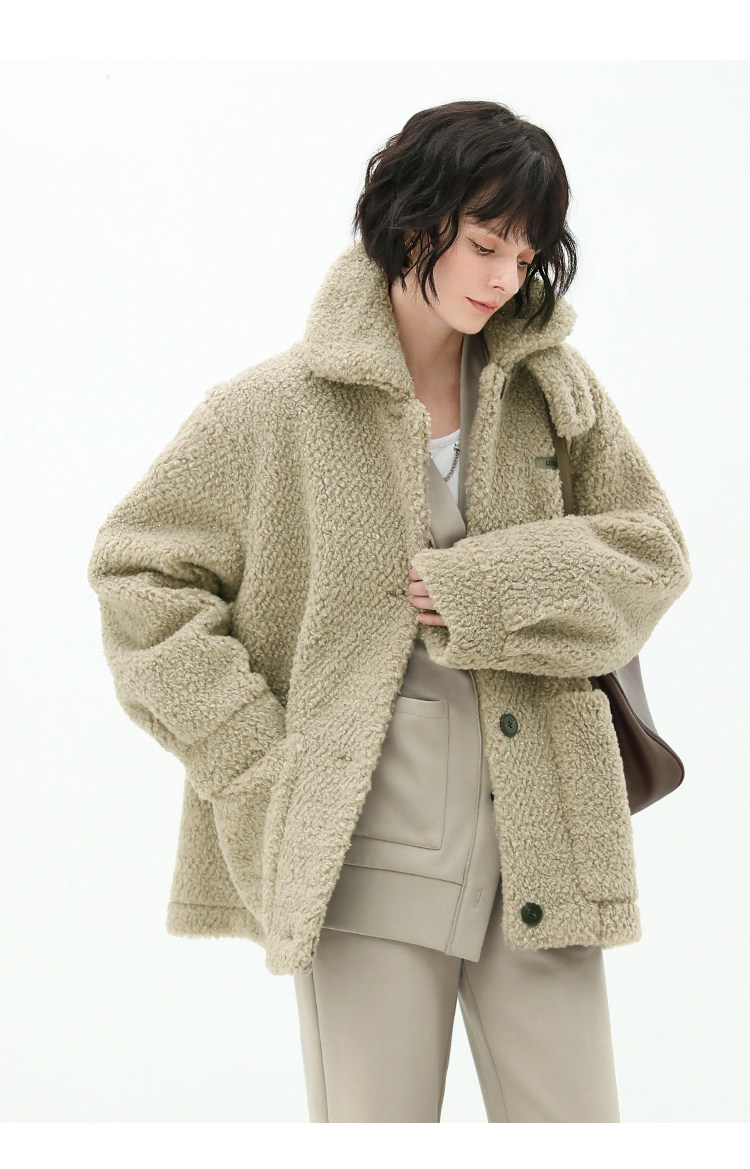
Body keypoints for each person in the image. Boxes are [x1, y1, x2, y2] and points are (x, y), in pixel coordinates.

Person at [87, 100, 693, 1123]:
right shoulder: (271, 408)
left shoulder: (551, 389)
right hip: (363, 855)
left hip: (541, 846)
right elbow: (137, 573)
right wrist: (258, 760)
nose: (504, 278)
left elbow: (652, 553)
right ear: (414, 224)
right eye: (485, 244)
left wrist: (486, 587)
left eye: (526, 254)